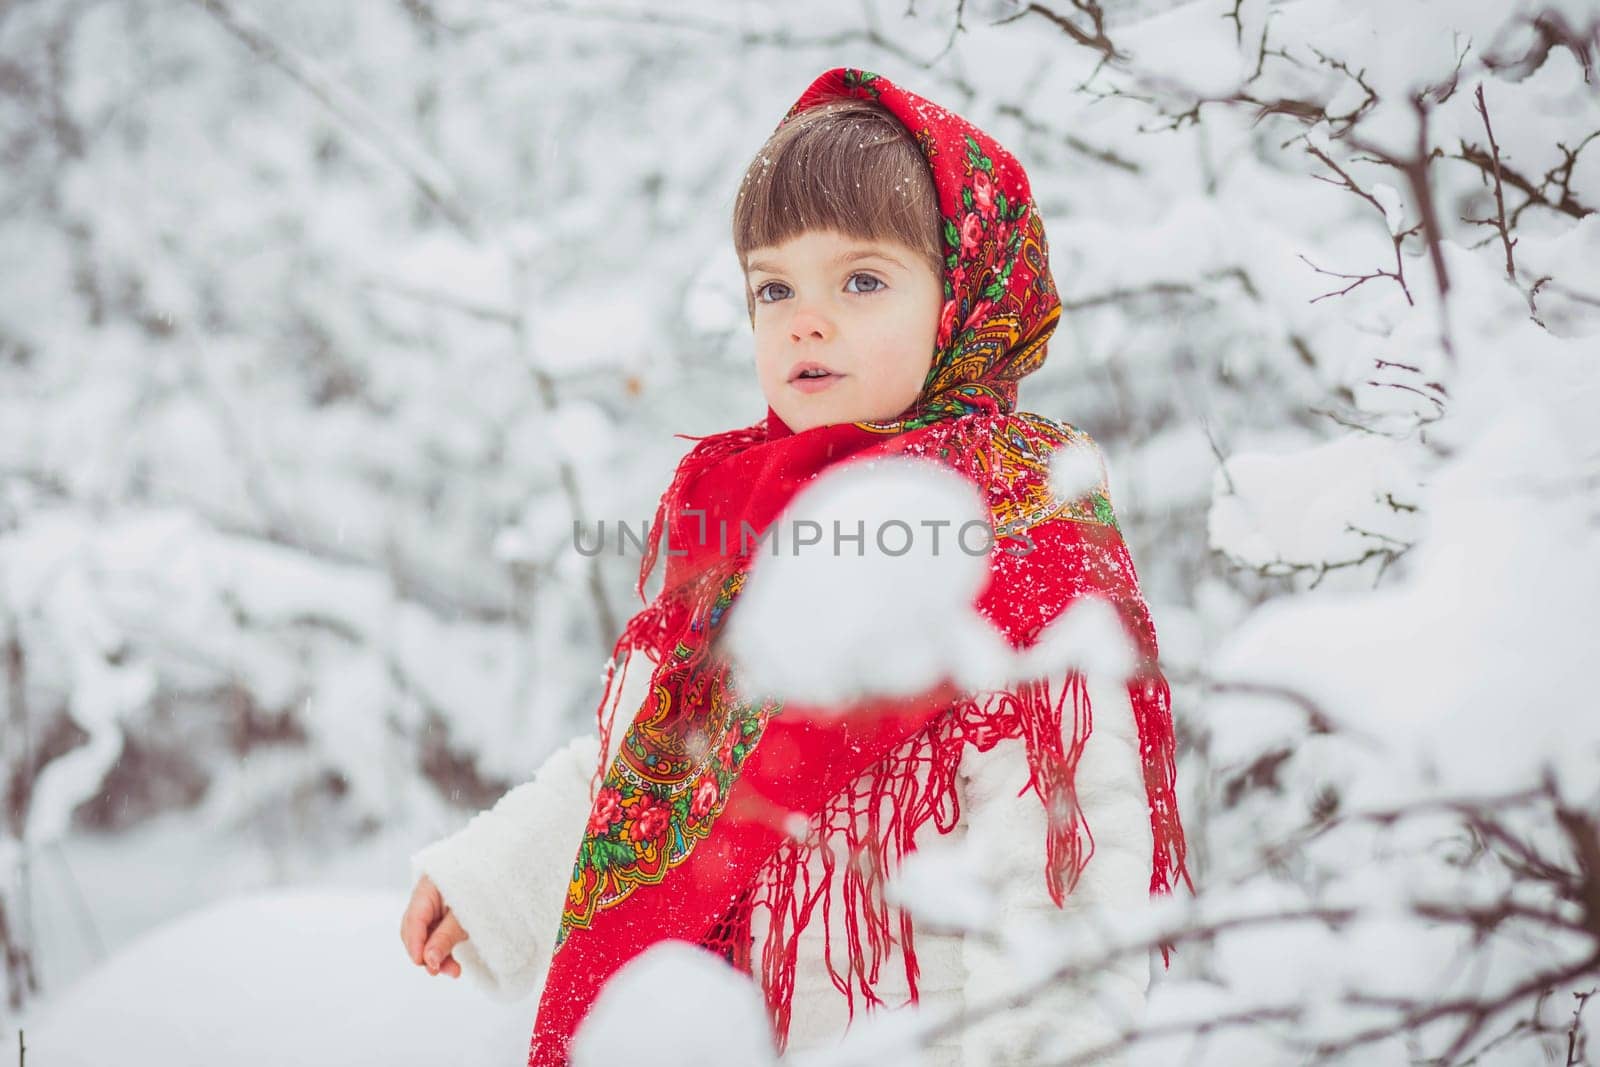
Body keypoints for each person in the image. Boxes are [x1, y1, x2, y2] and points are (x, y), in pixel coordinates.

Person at [399, 67, 1194, 1067]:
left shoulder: (1019, 540)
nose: (804, 319)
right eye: (773, 286)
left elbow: (1069, 873)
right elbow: (651, 768)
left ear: (965, 300)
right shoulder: (745, 516)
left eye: (860, 280)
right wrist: (494, 876)